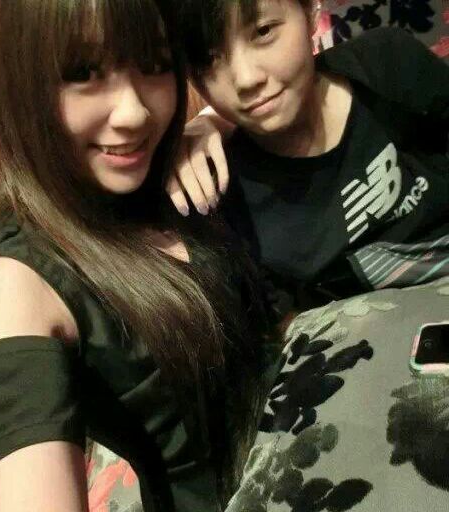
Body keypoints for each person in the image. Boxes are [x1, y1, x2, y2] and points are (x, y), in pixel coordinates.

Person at [0, 1, 280, 511]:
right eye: (83, 72)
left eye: (154, 64)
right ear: (15, 83)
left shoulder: (151, 173)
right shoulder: (11, 281)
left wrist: (211, 123)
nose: (135, 113)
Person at [169, 0, 449, 315]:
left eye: (263, 31)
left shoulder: (385, 64)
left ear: (310, 13)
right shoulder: (228, 191)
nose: (246, 79)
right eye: (208, 59)